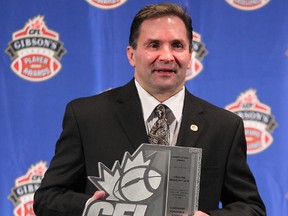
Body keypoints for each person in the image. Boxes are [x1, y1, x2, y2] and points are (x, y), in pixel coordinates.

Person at [33, 3, 266, 216]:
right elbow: (47, 198)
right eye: (153, 45)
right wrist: (94, 209)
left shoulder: (224, 126)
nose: (166, 56)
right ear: (131, 55)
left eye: (177, 45)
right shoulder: (86, 116)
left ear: (189, 56)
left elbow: (252, 208)